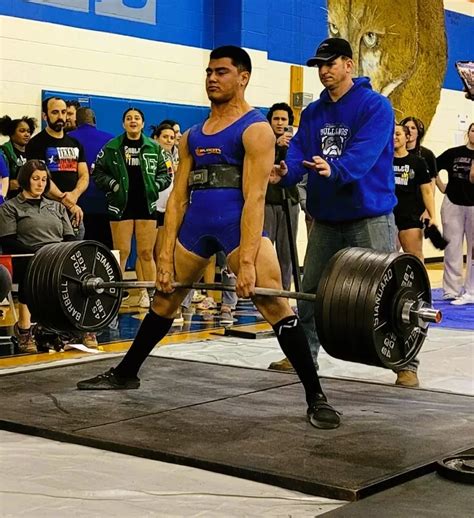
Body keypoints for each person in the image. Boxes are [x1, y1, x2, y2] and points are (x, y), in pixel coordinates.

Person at [77, 45, 341, 430]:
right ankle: (126, 372)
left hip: (238, 229)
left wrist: (247, 262)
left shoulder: (256, 130)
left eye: (222, 72)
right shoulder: (192, 135)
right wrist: (164, 256)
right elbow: (179, 198)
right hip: (196, 227)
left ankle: (316, 396)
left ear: (243, 76)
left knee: (274, 306)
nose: (212, 78)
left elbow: (254, 197)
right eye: (209, 72)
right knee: (166, 299)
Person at [270, 38, 417, 387]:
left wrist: (334, 170)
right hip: (327, 219)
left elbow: (364, 155)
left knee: (389, 292)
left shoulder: (376, 106)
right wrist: (286, 173)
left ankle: (407, 362)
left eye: (330, 63)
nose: (323, 71)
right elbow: (299, 152)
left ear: (349, 65)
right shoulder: (314, 112)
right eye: (319, 65)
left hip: (370, 216)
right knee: (311, 293)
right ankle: (304, 353)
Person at [92, 108, 171, 309]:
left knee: (146, 253)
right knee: (122, 252)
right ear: (123, 124)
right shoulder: (111, 147)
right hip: (120, 206)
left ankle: (152, 295)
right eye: (128, 118)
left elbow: (166, 174)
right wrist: (114, 186)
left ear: (143, 124)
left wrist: (155, 186)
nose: (133, 121)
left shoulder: (154, 147)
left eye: (137, 118)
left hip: (146, 206)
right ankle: (114, 295)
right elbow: (98, 172)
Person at [0, 160, 76, 352]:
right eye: (36, 179)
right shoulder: (10, 207)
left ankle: (70, 327)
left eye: (44, 179)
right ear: (26, 180)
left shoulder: (57, 207)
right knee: (33, 269)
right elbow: (8, 241)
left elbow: (69, 237)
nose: (40, 183)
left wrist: (58, 254)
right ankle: (24, 330)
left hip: (57, 255)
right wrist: (41, 254)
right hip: (26, 255)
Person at [26, 97, 85, 236]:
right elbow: (40, 179)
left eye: (64, 112)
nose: (60, 117)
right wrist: (67, 202)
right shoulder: (36, 143)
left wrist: (75, 194)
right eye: (55, 112)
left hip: (74, 210)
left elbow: (84, 175)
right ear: (45, 115)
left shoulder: (75, 143)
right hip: (47, 212)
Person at [435, 122, 474, 305]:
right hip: (453, 202)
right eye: (473, 130)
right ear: (468, 133)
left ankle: (471, 290)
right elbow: (431, 166)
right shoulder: (454, 153)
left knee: (473, 251)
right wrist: (441, 186)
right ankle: (451, 290)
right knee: (452, 247)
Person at [264, 102, 300, 291]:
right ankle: (267, 291)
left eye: (283, 119)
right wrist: (275, 147)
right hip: (267, 201)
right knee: (266, 250)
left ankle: (285, 292)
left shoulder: (296, 143)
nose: (279, 123)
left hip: (290, 202)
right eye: (276, 119)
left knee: (287, 252)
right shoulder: (262, 141)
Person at [68, 107, 114, 248]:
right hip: (104, 203)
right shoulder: (111, 139)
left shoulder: (68, 138)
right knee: (104, 250)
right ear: (94, 120)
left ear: (76, 121)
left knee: (77, 249)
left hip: (76, 203)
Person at [393, 124, 436, 261]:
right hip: (387, 214)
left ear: (407, 137)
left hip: (410, 215)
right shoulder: (383, 160)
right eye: (391, 134)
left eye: (398, 134)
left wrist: (432, 215)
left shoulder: (418, 162)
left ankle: (420, 283)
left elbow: (427, 191)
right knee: (387, 258)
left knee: (414, 256)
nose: (394, 137)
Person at [0, 115, 37, 199]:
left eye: (28, 131)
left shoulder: (33, 151)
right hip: (9, 200)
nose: (27, 134)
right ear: (11, 133)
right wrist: (8, 184)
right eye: (22, 131)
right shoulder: (3, 152)